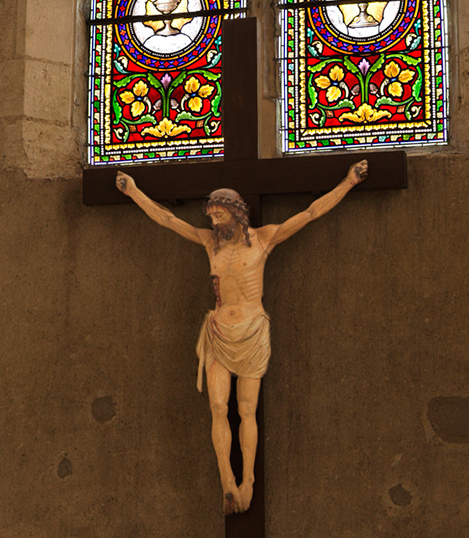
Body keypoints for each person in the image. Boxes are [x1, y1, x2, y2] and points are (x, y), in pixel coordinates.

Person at [116, 161, 368, 514]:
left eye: (220, 216)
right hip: (218, 332)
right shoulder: (210, 244)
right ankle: (227, 482)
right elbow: (168, 220)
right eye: (212, 217)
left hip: (251, 332)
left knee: (246, 409)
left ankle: (248, 479)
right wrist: (134, 192)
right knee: (219, 407)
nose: (214, 223)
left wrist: (348, 182)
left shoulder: (264, 239)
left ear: (237, 214)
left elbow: (311, 213)